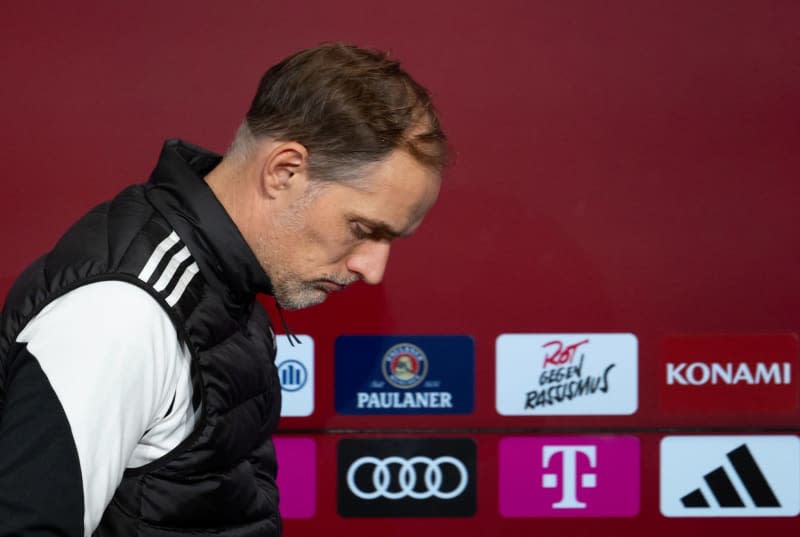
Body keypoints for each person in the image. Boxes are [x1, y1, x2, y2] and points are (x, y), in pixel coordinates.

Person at [0, 43, 447, 536]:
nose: (373, 268)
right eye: (363, 229)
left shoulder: (218, 277)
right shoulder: (122, 313)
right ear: (285, 172)